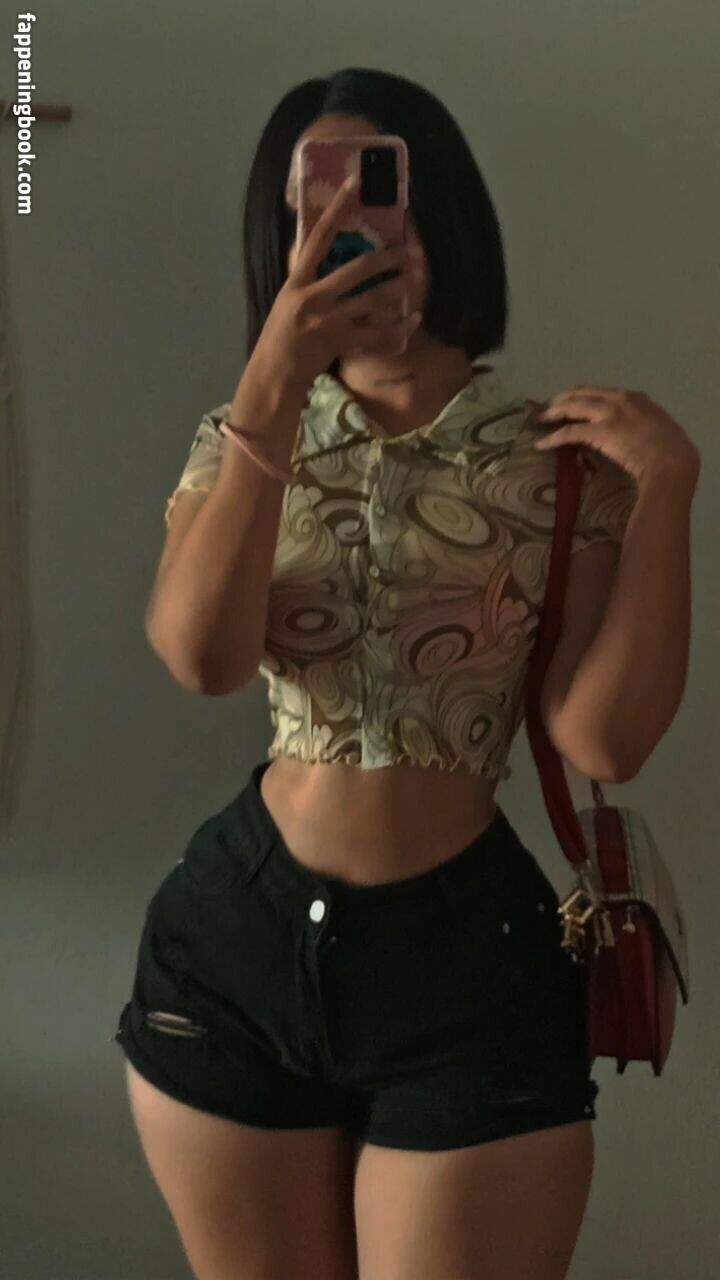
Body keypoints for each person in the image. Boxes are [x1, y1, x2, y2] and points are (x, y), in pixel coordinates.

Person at [113, 68, 639, 1280]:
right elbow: (200, 656)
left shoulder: (562, 458)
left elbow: (604, 738)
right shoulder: (243, 436)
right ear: (281, 234)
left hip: (468, 960)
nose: (356, 226)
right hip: (233, 950)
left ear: (442, 210)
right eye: (318, 204)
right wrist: (271, 383)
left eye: (384, 191)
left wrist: (671, 493)